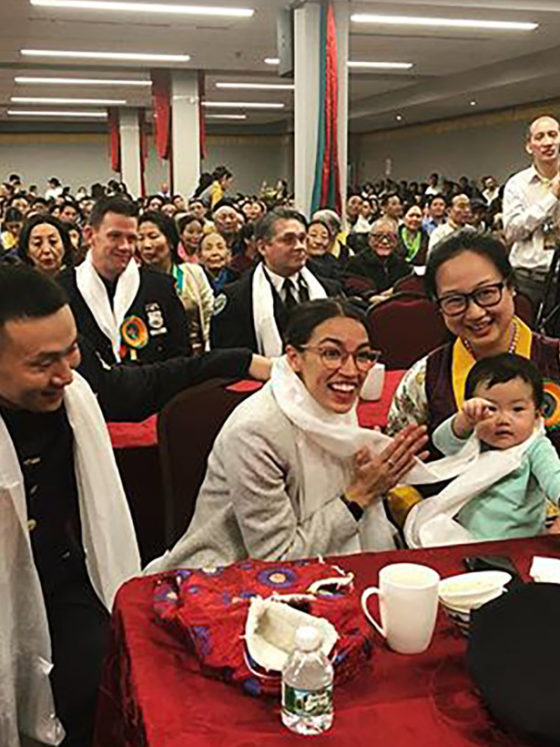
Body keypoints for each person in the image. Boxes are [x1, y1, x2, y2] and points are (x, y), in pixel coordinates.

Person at [0, 263, 271, 747]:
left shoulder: (76, 389)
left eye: (71, 351)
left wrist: (238, 360)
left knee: (115, 674)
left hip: (63, 580)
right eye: (43, 364)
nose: (66, 375)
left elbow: (146, 384)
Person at [148, 299, 428, 570]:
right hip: (229, 573)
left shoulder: (329, 405)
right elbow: (278, 560)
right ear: (294, 358)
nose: (351, 371)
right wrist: (357, 496)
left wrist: (366, 475)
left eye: (363, 356)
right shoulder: (255, 432)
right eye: (332, 354)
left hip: (322, 561)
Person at [387, 230, 560, 457]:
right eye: (455, 300)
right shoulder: (424, 378)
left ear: (511, 286)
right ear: (438, 306)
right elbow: (399, 462)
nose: (475, 313)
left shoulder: (554, 358)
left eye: (486, 293)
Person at [429, 354, 560, 540]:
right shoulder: (473, 440)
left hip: (521, 545)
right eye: (491, 409)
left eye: (517, 409)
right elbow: (441, 442)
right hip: (466, 541)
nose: (503, 420)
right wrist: (463, 421)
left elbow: (554, 478)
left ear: (537, 415)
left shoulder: (535, 446)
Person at [59, 196, 191, 365]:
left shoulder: (161, 287)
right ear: (89, 235)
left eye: (131, 239)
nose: (125, 247)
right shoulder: (62, 290)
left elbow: (181, 358)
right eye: (115, 236)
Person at [211, 208, 340, 356]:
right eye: (288, 240)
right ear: (262, 247)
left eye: (302, 239)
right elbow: (225, 358)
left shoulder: (328, 290)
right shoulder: (236, 298)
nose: (299, 246)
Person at [503, 115, 560, 310]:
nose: (547, 142)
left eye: (553, 135)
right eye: (540, 137)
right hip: (528, 280)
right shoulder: (516, 184)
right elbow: (511, 232)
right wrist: (552, 197)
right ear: (529, 146)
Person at [137, 211, 214, 355]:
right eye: (140, 238)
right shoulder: (135, 281)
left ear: (171, 241)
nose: (146, 245)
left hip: (198, 354)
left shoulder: (193, 273)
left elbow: (209, 313)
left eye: (153, 236)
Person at [343, 217, 411, 300]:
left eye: (390, 237)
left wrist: (395, 290)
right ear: (369, 239)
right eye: (378, 236)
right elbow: (350, 283)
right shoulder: (356, 262)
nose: (385, 241)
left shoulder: (402, 264)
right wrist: (371, 296)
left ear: (397, 241)